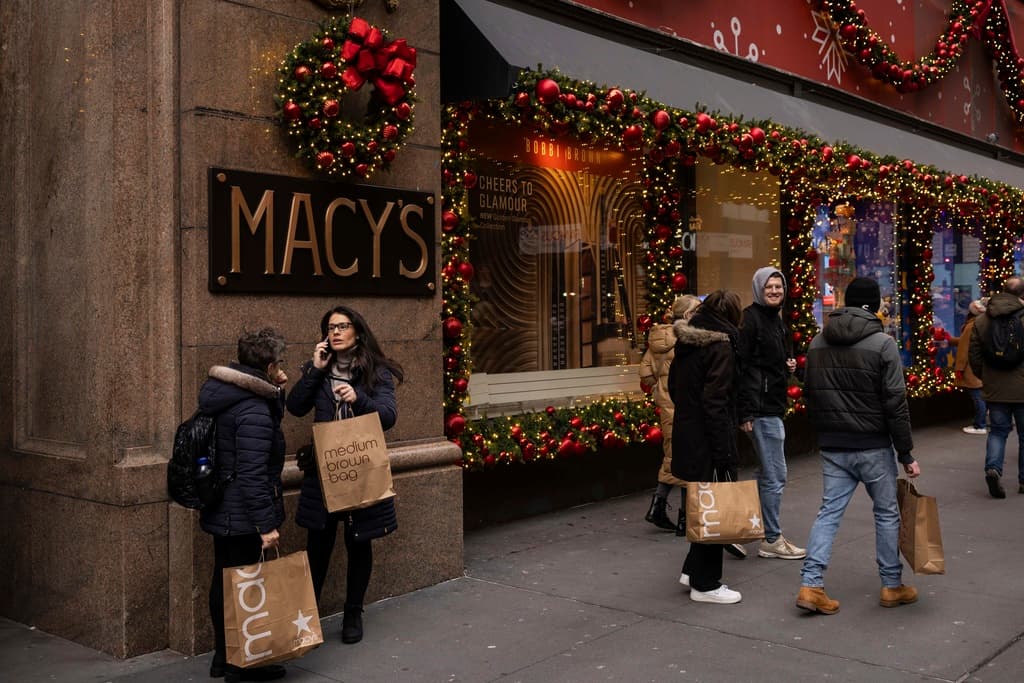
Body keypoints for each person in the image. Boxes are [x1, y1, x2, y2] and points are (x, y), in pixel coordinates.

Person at [796, 277, 920, 615]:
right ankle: (892, 585)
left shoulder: (818, 341)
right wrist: (906, 453)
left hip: (834, 444)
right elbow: (896, 402)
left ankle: (811, 583)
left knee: (828, 513)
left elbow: (809, 393)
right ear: (875, 305)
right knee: (885, 513)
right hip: (873, 444)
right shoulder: (883, 344)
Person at [287, 305, 404, 644]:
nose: (335, 332)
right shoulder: (318, 369)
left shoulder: (375, 372)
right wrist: (315, 371)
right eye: (330, 327)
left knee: (358, 542)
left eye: (342, 326)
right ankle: (306, 617)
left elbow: (388, 415)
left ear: (357, 332)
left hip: (360, 468)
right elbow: (294, 406)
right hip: (323, 472)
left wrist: (359, 398)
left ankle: (353, 611)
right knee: (318, 546)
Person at [200, 328, 288, 682]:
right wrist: (266, 525)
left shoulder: (226, 394)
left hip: (223, 506)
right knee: (244, 585)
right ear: (268, 366)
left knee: (224, 579)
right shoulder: (253, 409)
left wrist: (277, 393)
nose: (282, 369)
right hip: (243, 512)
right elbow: (253, 474)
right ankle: (242, 665)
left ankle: (223, 658)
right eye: (278, 363)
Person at [669, 290, 745, 604]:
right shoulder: (720, 346)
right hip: (708, 438)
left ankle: (692, 569)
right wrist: (724, 452)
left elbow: (674, 388)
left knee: (703, 505)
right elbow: (716, 403)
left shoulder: (687, 342)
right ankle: (706, 584)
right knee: (716, 507)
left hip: (687, 433)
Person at [738, 267, 805, 561]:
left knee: (767, 473)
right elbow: (741, 368)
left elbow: (768, 362)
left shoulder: (776, 320)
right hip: (761, 409)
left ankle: (748, 529)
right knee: (776, 475)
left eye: (779, 286)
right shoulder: (750, 319)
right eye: (769, 287)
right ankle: (772, 539)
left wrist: (788, 365)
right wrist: (745, 412)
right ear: (758, 290)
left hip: (773, 405)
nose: (775, 291)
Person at [641, 295, 699, 533]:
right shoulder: (688, 338)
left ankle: (658, 507)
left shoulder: (657, 337)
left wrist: (660, 390)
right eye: (698, 311)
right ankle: (684, 519)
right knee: (687, 461)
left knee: (673, 457)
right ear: (687, 316)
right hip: (685, 406)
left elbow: (645, 374)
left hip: (667, 407)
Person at [969, 277, 1024, 498]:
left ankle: (993, 468)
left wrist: (986, 375)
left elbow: (974, 354)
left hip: (995, 387)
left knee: (998, 432)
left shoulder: (982, 320)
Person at [952, 298, 988, 435]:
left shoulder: (970, 326)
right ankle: (983, 422)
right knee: (982, 397)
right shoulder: (983, 323)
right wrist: (950, 339)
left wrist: (959, 368)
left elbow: (963, 349)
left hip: (972, 367)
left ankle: (980, 425)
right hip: (982, 366)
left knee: (977, 397)